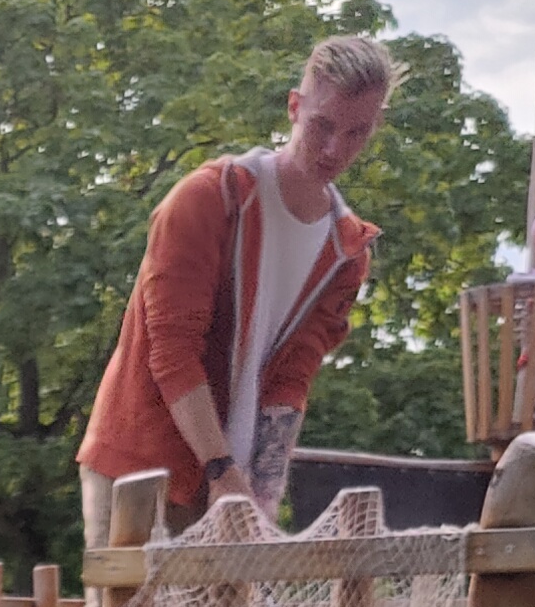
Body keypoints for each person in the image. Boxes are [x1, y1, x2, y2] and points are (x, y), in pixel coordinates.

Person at [79, 37, 393, 542]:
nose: (335, 149)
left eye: (357, 132)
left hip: (233, 482)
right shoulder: (209, 198)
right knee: (129, 598)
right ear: (294, 107)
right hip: (141, 463)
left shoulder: (346, 252)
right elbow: (172, 350)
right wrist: (220, 470)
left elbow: (291, 381)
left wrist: (262, 496)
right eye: (323, 125)